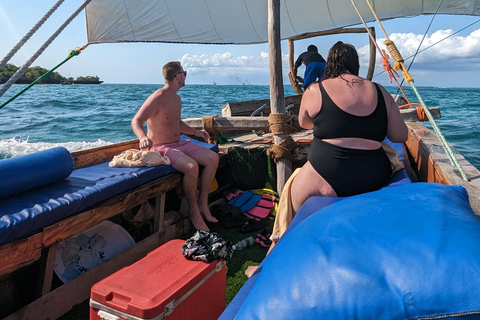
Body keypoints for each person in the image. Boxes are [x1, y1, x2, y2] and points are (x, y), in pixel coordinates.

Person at [245, 41, 408, 278]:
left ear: (329, 63)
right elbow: (399, 135)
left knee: (290, 193)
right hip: (373, 176)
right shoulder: (380, 91)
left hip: (325, 174)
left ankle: (270, 260)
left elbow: (304, 123)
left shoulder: (315, 90)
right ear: (356, 64)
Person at [131, 61, 219, 232]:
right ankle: (194, 212)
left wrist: (196, 132)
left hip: (179, 143)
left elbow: (177, 123)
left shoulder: (176, 98)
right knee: (191, 167)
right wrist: (142, 137)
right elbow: (136, 120)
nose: (185, 76)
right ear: (178, 76)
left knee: (213, 158)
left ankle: (203, 204)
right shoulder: (158, 97)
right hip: (161, 147)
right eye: (184, 73)